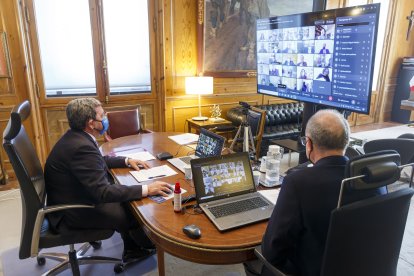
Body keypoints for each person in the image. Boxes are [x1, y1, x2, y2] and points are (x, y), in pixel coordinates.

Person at [244, 109, 385, 276]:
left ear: (308, 143)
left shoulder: (298, 182)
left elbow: (272, 252)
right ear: (346, 142)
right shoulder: (374, 177)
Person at [44, 98, 172, 263]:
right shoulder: (80, 147)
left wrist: (126, 160)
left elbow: (96, 161)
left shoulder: (76, 137)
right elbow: (103, 192)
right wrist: (147, 189)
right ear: (91, 123)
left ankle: (132, 246)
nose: (105, 118)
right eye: (102, 115)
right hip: (73, 211)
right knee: (133, 210)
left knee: (124, 192)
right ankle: (139, 248)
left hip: (73, 196)